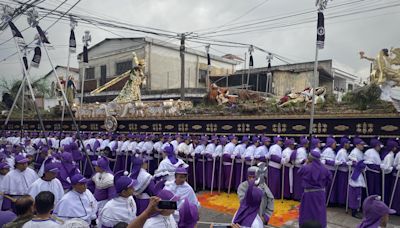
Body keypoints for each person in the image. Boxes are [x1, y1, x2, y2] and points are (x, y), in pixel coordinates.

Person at [298, 150, 332, 228]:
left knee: (307, 212)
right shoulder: (324, 168)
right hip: (320, 194)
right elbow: (329, 178)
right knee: (320, 212)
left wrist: (306, 163)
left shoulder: (306, 167)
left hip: (309, 194)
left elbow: (299, 172)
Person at [348, 138, 367, 219]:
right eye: (361, 144)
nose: (363, 146)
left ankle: (357, 209)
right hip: (355, 174)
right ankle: (354, 211)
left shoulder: (360, 152)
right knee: (355, 193)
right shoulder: (354, 152)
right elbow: (353, 163)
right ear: (357, 145)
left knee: (358, 193)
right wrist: (361, 165)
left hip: (360, 174)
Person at [334, 136, 351, 205]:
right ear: (344, 144)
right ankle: (341, 202)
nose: (349, 145)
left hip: (344, 172)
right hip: (342, 172)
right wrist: (348, 163)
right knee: (342, 188)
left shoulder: (344, 151)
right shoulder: (342, 152)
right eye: (348, 143)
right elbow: (341, 163)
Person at [292, 137, 309, 201]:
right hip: (299, 168)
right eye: (307, 144)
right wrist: (306, 161)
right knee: (299, 183)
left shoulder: (301, 150)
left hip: (299, 168)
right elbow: (300, 160)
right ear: (304, 144)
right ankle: (298, 197)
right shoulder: (301, 150)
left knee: (298, 183)